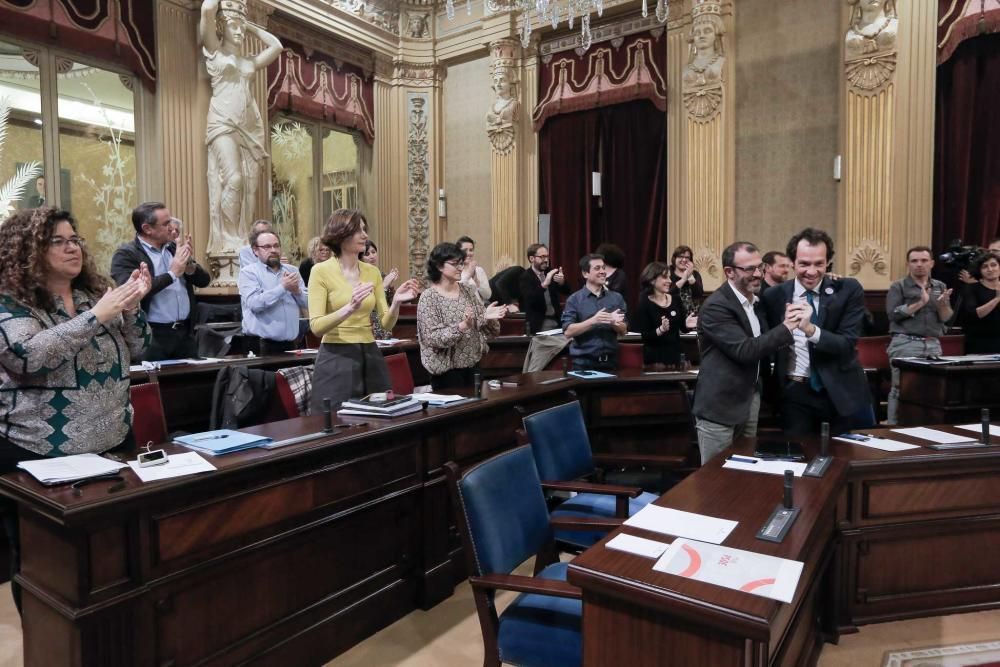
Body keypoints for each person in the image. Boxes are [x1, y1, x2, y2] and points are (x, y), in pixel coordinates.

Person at [0, 207, 151, 611]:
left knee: (117, 558)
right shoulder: (11, 304)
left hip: (112, 443)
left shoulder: (92, 295)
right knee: (46, 567)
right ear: (28, 249)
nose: (73, 248)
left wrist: (132, 306)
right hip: (38, 453)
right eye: (59, 241)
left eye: (75, 239)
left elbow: (139, 348)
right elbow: (27, 357)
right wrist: (96, 316)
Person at [692, 243, 799, 464]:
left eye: (760, 267)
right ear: (729, 272)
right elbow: (745, 350)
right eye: (749, 269)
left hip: (749, 399)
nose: (758, 274)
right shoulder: (716, 306)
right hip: (720, 405)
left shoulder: (754, 302)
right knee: (715, 478)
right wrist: (787, 327)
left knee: (743, 472)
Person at [762, 228, 873, 437]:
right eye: (804, 264)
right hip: (794, 393)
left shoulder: (847, 289)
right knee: (797, 461)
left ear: (828, 263)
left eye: (818, 264)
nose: (811, 272)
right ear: (792, 262)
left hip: (840, 393)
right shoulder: (774, 296)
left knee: (842, 460)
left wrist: (810, 330)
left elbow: (846, 344)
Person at [307, 209, 419, 410]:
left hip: (370, 352)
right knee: (337, 421)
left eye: (365, 230)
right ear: (341, 234)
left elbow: (385, 323)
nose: (365, 236)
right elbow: (316, 327)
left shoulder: (372, 272)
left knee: (379, 418)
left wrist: (396, 304)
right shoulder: (320, 271)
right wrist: (349, 308)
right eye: (358, 230)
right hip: (336, 355)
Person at [200, 0, 282, 253]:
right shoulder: (215, 51)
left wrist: (252, 27)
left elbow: (277, 46)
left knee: (249, 185)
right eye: (233, 27)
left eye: (241, 29)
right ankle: (228, 236)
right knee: (233, 178)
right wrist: (229, 17)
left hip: (249, 125)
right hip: (223, 121)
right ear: (222, 28)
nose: (238, 33)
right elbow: (206, 10)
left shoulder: (249, 61)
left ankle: (241, 235)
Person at [111, 202, 211, 361]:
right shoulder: (126, 255)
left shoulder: (173, 248)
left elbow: (205, 281)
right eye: (166, 224)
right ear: (147, 229)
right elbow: (132, 292)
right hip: (151, 337)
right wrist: (172, 274)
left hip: (184, 334)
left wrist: (189, 266)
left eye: (171, 220)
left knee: (191, 384)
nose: (172, 227)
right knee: (156, 385)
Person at [417, 243, 508, 390]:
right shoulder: (429, 297)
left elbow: (488, 329)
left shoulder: (467, 290)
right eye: (455, 264)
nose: (460, 267)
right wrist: (463, 326)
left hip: (473, 366)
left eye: (461, 263)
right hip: (446, 373)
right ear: (439, 266)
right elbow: (433, 338)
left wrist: (489, 318)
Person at [884, 246, 954, 425]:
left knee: (933, 389)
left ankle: (928, 426)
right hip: (905, 343)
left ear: (931, 263)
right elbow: (893, 314)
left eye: (923, 261)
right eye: (914, 261)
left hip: (932, 344)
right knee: (901, 388)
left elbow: (945, 318)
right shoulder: (898, 286)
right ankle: (894, 427)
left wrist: (943, 306)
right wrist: (920, 303)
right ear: (908, 264)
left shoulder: (940, 286)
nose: (919, 265)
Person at [238, 230, 308, 355]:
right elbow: (255, 304)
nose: (273, 250)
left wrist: (296, 291)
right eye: (267, 247)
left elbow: (308, 303)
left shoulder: (293, 271)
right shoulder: (248, 273)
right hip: (262, 347)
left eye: (276, 246)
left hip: (291, 344)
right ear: (255, 250)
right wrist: (283, 287)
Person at [562, 254, 627, 371]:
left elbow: (623, 330)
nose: (602, 271)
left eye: (603, 268)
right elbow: (568, 331)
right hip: (583, 364)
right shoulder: (574, 299)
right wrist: (594, 320)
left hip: (611, 363)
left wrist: (612, 322)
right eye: (597, 268)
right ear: (585, 274)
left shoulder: (616, 298)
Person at [635, 261, 697, 367]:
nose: (669, 281)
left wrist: (687, 325)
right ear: (652, 280)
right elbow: (645, 336)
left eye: (669, 277)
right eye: (665, 277)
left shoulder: (676, 299)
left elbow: (683, 328)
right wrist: (661, 330)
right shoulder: (644, 303)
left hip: (677, 357)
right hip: (655, 360)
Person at [519, 243, 569, 334]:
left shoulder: (551, 272)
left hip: (557, 321)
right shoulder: (525, 277)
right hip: (539, 323)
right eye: (542, 257)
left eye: (547, 256)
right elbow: (530, 299)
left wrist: (562, 282)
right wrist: (544, 284)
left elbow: (567, 291)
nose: (546, 260)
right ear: (531, 259)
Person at [961, 252, 1000, 354]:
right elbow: (974, 314)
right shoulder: (972, 289)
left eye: (994, 265)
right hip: (979, 344)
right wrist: (996, 299)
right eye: (985, 267)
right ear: (980, 271)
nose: (990, 269)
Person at [360, 240, 399, 340]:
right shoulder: (360, 276)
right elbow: (370, 304)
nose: (372, 256)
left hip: (384, 323)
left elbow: (389, 303)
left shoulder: (381, 275)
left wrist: (390, 286)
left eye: (373, 252)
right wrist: (384, 285)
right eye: (367, 254)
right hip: (369, 325)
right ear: (360, 257)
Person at [669, 245, 704, 317]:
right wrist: (683, 279)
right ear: (674, 258)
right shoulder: (668, 272)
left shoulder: (695, 274)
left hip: (693, 314)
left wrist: (690, 276)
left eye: (687, 257)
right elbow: (668, 293)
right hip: (673, 313)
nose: (684, 260)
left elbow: (699, 295)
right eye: (681, 257)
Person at [456, 236, 492, 302]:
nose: (468, 253)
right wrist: (469, 275)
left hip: (480, 310)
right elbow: (456, 292)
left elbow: (488, 295)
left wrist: (477, 281)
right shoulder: (454, 270)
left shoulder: (479, 270)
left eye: (471, 250)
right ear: (458, 252)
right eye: (465, 250)